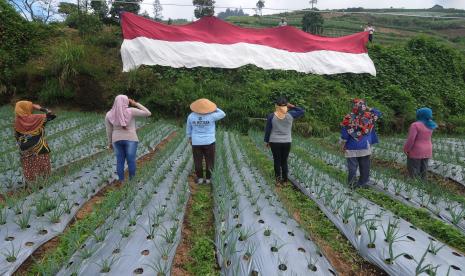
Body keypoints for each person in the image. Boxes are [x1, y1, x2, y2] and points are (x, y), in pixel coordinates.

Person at [105, 95, 151, 183]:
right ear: (126, 102)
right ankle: (132, 182)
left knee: (120, 161)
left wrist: (110, 143)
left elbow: (109, 131)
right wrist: (135, 104)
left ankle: (121, 182)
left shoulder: (109, 114)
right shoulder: (131, 111)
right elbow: (148, 113)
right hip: (131, 139)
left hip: (116, 140)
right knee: (131, 161)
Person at [340, 99, 381, 189]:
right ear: (364, 107)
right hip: (365, 145)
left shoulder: (348, 118)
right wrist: (368, 108)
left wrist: (342, 144)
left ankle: (352, 184)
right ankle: (363, 183)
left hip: (352, 145)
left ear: (354, 107)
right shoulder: (369, 116)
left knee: (352, 166)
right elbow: (378, 112)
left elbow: (345, 134)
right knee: (365, 165)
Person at [264, 97, 305, 184]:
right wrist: (292, 106)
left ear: (276, 106)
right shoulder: (291, 114)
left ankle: (278, 181)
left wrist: (266, 141)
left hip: (274, 141)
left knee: (277, 161)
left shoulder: (271, 116)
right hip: (287, 141)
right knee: (284, 161)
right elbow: (302, 111)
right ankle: (285, 181)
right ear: (286, 106)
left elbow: (268, 130)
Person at [14, 101, 56, 183]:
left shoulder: (16, 121)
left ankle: (32, 186)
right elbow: (52, 115)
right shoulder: (37, 118)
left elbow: (16, 136)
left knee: (29, 167)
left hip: (25, 149)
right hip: (39, 147)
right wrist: (40, 108)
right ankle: (44, 184)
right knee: (42, 167)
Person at [186, 98, 226, 185]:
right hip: (209, 142)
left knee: (197, 161)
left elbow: (188, 129)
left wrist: (190, 138)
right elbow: (223, 114)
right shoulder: (212, 115)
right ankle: (208, 179)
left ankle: (200, 178)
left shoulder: (191, 116)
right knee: (210, 161)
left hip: (196, 142)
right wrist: (214, 108)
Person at [403, 108, 437, 180]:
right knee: (424, 170)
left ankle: (414, 185)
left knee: (414, 169)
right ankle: (423, 185)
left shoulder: (415, 125)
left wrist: (406, 149)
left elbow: (411, 139)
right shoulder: (431, 125)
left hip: (416, 150)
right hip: (428, 149)